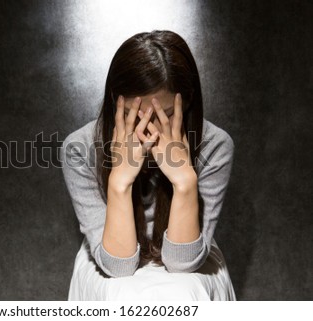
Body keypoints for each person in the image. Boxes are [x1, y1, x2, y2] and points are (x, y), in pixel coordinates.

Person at [61, 30, 236, 300]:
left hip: (186, 255)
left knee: (185, 293)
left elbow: (183, 263)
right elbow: (117, 266)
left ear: (187, 101)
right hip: (113, 253)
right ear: (114, 101)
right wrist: (120, 181)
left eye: (163, 116)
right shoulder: (79, 148)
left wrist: (184, 181)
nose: (148, 131)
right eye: (134, 116)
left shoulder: (215, 144)